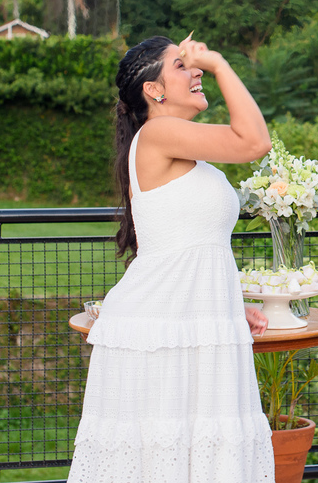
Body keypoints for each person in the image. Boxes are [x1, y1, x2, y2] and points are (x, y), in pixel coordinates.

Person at [68, 34, 275, 483]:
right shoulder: (159, 133)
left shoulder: (183, 149)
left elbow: (184, 245)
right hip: (157, 334)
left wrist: (227, 304)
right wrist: (219, 63)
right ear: (153, 90)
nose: (196, 70)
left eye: (196, 65)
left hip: (189, 328)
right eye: (182, 65)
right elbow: (255, 141)